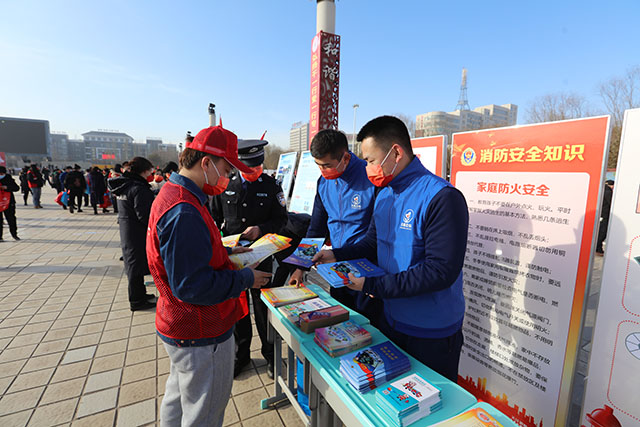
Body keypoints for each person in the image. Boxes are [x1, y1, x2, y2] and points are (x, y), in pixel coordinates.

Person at [313, 116, 469, 382]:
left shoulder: (442, 197)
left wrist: (373, 286)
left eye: (371, 161)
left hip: (430, 331)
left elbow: (440, 271)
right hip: (390, 320)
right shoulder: (385, 194)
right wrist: (336, 254)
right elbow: (372, 244)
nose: (367, 168)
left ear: (395, 153)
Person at [147, 125, 272, 426]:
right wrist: (245, 279)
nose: (228, 178)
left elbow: (189, 261)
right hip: (200, 330)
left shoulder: (176, 194)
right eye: (227, 169)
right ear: (206, 163)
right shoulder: (184, 210)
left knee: (178, 399)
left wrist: (226, 254)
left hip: (181, 326)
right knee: (204, 412)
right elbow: (192, 286)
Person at [210, 138, 288, 378]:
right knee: (238, 309)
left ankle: (271, 356)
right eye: (249, 167)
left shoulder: (272, 185)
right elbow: (213, 219)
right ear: (238, 165)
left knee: (263, 309)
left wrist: (262, 229)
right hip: (232, 259)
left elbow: (281, 219)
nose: (255, 171)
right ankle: (240, 355)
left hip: (260, 256)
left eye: (258, 166)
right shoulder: (225, 184)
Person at [288, 129, 379, 319]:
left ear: (345, 157)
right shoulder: (323, 183)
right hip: (337, 268)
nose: (322, 171)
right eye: (318, 165)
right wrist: (300, 267)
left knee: (368, 329)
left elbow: (378, 237)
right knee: (341, 323)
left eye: (327, 165)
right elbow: (316, 230)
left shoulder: (371, 179)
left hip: (367, 273)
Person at [108, 157, 157, 311]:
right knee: (135, 266)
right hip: (136, 231)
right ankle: (137, 300)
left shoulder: (125, 186)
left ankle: (140, 294)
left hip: (128, 228)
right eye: (149, 170)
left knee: (133, 264)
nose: (151, 173)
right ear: (143, 171)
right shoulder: (138, 189)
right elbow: (144, 215)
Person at [0, 166, 20, 241]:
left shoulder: (8, 178)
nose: (1, 175)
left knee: (11, 219)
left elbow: (16, 188)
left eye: (2, 173)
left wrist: (7, 187)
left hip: (8, 202)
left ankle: (14, 234)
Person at [596, 180, 614, 255]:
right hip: (605, 215)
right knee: (603, 232)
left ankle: (597, 248)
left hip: (601, 214)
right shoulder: (608, 191)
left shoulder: (602, 190)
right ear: (612, 185)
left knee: (600, 231)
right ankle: (598, 249)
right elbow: (611, 203)